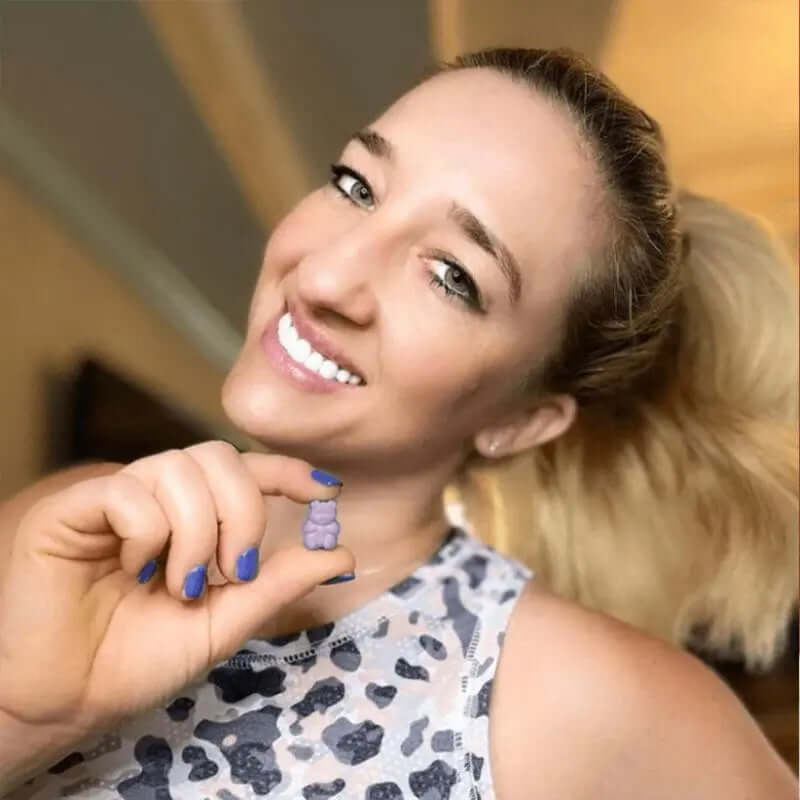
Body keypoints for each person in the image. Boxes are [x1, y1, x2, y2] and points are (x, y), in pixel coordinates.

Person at [0, 46, 797, 799]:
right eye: (356, 185)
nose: (326, 277)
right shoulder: (83, 532)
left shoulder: (568, 694)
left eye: (454, 276)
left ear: (522, 421)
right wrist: (23, 723)